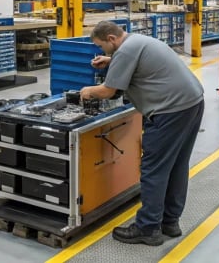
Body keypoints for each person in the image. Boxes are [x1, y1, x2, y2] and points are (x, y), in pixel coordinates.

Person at [79, 21, 204, 246]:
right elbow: (137, 63)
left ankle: (148, 228)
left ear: (111, 39)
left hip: (170, 111)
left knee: (153, 169)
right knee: (176, 165)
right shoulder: (136, 41)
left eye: (101, 47)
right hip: (191, 103)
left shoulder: (125, 51)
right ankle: (170, 222)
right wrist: (111, 61)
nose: (101, 51)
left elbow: (108, 91)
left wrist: (87, 91)